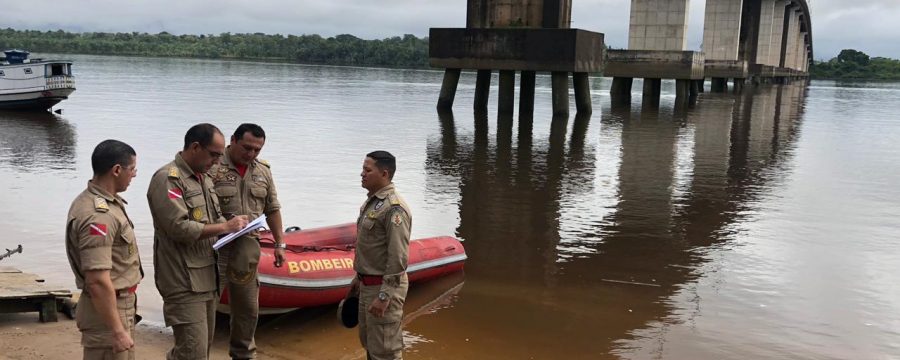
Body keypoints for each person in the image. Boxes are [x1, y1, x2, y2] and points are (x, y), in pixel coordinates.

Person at [147, 123, 248, 360]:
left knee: (201, 349)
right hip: (182, 281)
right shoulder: (168, 179)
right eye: (213, 154)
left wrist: (236, 226)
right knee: (192, 352)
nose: (217, 160)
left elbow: (213, 219)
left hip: (207, 277)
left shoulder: (203, 179)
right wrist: (225, 227)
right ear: (195, 147)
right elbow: (179, 228)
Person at [209, 123, 285, 359]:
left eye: (257, 150)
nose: (251, 154)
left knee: (247, 310)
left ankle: (243, 354)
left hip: (247, 248)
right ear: (233, 140)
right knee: (206, 306)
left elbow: (272, 208)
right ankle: (198, 352)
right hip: (215, 248)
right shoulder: (212, 165)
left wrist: (279, 243)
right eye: (246, 148)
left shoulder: (262, 171)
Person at [65, 139, 142, 359]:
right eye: (132, 169)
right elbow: (97, 279)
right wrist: (117, 331)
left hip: (115, 307)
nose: (134, 174)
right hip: (108, 312)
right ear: (117, 170)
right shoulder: (99, 215)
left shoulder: (99, 201)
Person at [348, 150, 412, 360]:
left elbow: (398, 257)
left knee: (386, 351)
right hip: (367, 286)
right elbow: (372, 247)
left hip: (383, 289)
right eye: (362, 169)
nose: (362, 174)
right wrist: (358, 278)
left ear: (384, 174)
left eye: (367, 170)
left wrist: (385, 296)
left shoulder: (394, 209)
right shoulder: (372, 203)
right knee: (371, 345)